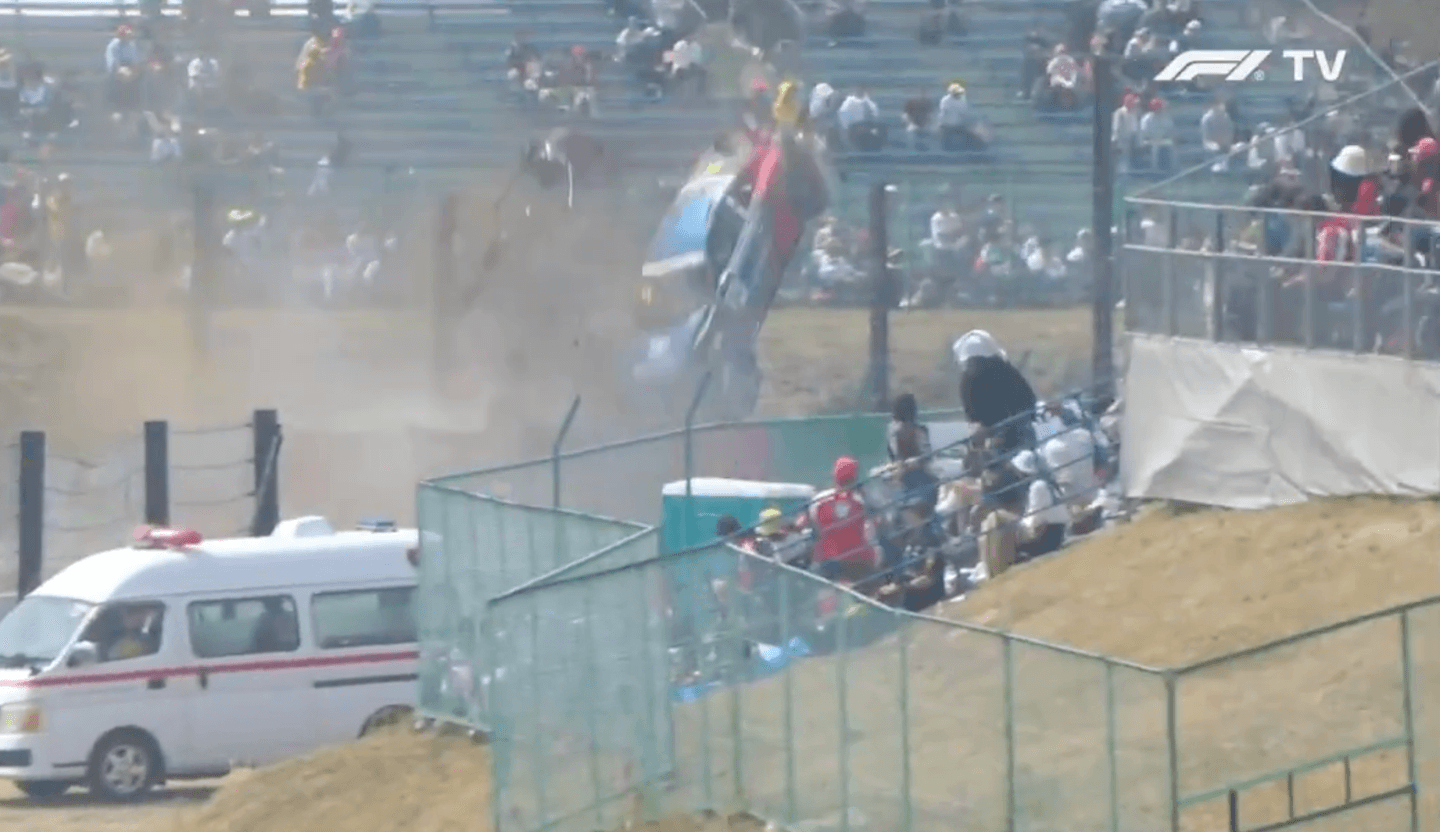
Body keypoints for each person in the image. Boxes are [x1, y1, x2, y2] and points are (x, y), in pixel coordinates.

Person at [954, 330, 1037, 455]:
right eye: (972, 360)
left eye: (978, 359)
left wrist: (1008, 428)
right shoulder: (968, 382)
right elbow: (971, 415)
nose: (975, 363)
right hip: (992, 438)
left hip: (1020, 432)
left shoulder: (1006, 373)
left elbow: (1027, 402)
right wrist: (980, 431)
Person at [800, 456, 878, 583]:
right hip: (859, 560)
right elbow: (875, 523)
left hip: (827, 559)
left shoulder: (819, 500)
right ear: (854, 477)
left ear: (834, 475)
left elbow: (806, 524)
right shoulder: (862, 501)